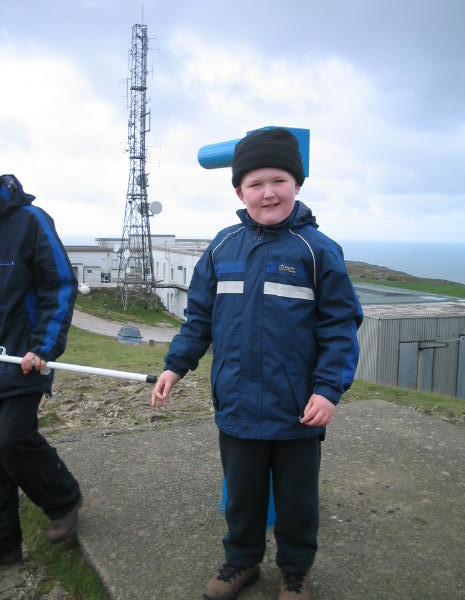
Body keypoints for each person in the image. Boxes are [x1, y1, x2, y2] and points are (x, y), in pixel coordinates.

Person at [151, 128, 363, 599]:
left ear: (297, 184)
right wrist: (174, 366)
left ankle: (295, 571)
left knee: (297, 502)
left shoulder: (317, 250)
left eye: (279, 180)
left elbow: (340, 327)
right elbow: (198, 318)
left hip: (297, 411)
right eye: (256, 182)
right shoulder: (223, 247)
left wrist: (328, 390)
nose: (268, 192)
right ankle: (241, 563)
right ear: (239, 191)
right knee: (242, 498)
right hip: (237, 407)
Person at [0, 174, 82, 565]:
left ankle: (63, 499)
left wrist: (42, 347)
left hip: (22, 359)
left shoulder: (30, 220)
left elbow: (60, 285)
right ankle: (5, 548)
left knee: (12, 439)